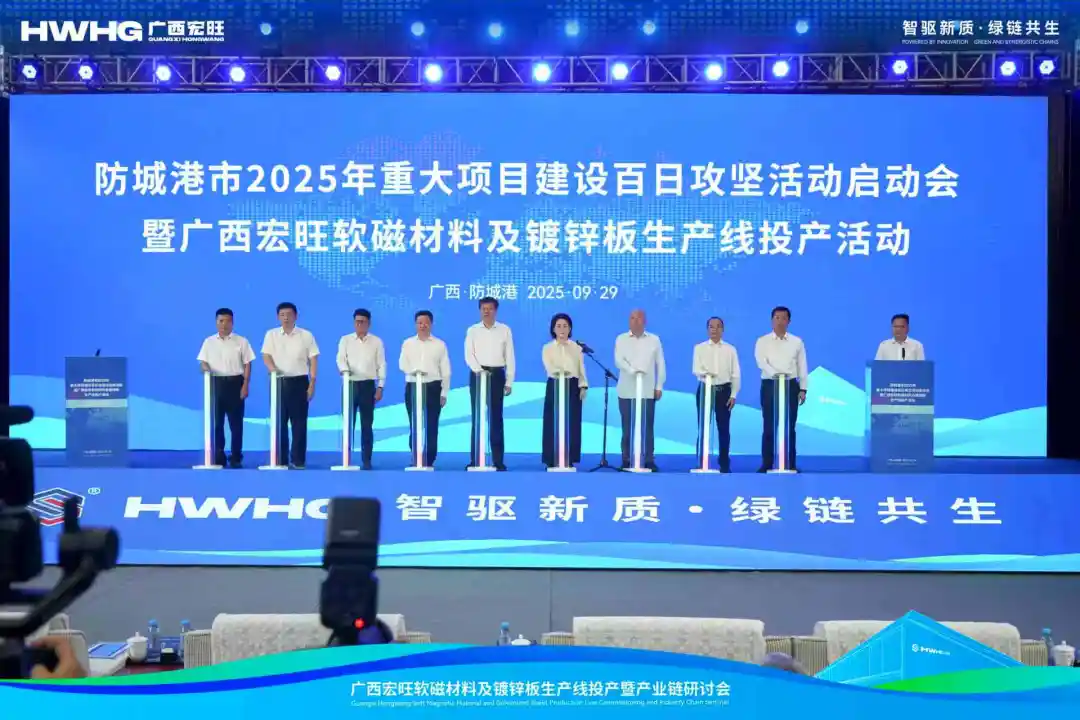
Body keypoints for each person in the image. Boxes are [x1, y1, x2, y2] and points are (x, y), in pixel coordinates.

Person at [261, 302, 319, 469]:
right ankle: (280, 459)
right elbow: (266, 355)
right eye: (282, 315)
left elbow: (313, 359)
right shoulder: (271, 335)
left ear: (296, 316)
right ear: (278, 317)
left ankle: (298, 460)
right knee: (279, 422)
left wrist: (312, 382)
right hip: (278, 382)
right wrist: (273, 370)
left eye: (289, 314)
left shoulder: (306, 335)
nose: (286, 318)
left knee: (299, 423)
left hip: (299, 382)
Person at [196, 308, 254, 468]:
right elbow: (202, 362)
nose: (224, 324)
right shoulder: (209, 342)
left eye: (228, 321)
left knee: (236, 424)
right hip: (216, 384)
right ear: (216, 322)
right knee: (217, 423)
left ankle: (236, 456)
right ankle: (218, 455)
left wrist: (245, 384)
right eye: (221, 321)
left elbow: (247, 364)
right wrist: (206, 369)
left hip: (236, 383)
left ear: (232, 323)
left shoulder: (241, 341)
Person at [754, 306, 808, 473]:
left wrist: (803, 388)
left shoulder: (797, 342)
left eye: (783, 318)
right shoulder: (762, 341)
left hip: (791, 385)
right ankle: (767, 464)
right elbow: (761, 361)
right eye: (777, 318)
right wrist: (775, 374)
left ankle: (790, 464)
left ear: (789, 321)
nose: (780, 321)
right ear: (772, 320)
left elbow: (802, 366)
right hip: (770, 384)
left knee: (789, 426)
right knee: (769, 425)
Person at [464, 296, 515, 471]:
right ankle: (475, 459)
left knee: (496, 418)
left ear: (495, 310)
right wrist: (479, 371)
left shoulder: (504, 330)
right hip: (478, 375)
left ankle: (498, 460)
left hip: (497, 374)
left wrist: (509, 381)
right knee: (477, 417)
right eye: (483, 309)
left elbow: (510, 356)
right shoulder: (473, 330)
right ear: (480, 310)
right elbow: (469, 354)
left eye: (490, 308)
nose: (486, 312)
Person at [614, 309, 666, 471]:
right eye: (632, 318)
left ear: (645, 321)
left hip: (647, 390)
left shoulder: (654, 340)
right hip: (626, 390)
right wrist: (633, 371)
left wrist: (659, 386)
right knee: (627, 427)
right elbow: (618, 360)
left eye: (638, 318)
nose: (635, 321)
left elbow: (660, 364)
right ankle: (626, 459)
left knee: (648, 427)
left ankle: (649, 459)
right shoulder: (621, 339)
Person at [336, 308, 387, 470]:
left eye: (363, 322)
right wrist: (344, 370)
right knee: (347, 423)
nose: (359, 324)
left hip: (368, 385)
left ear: (369, 323)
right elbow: (340, 359)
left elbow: (381, 364)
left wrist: (380, 386)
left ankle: (366, 460)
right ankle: (346, 459)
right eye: (357, 321)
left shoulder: (376, 342)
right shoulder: (345, 340)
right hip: (350, 385)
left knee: (367, 424)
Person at [399, 310, 450, 467]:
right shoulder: (408, 343)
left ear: (431, 324)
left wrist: (444, 392)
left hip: (433, 386)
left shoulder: (440, 345)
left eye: (426, 322)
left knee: (431, 424)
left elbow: (446, 371)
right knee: (414, 423)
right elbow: (402, 364)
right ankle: (416, 457)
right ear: (416, 324)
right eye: (419, 323)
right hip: (413, 385)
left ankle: (429, 459)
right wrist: (414, 371)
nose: (423, 325)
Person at [692, 316, 741, 473]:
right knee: (703, 427)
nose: (715, 329)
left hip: (723, 391)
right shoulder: (699, 348)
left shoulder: (730, 349)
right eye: (711, 326)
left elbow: (735, 374)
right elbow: (696, 369)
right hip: (705, 390)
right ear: (707, 329)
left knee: (724, 428)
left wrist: (733, 394)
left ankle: (724, 463)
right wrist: (708, 374)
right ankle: (701, 461)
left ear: (723, 329)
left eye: (718, 326)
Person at [541, 313, 589, 468]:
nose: (562, 329)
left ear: (570, 329)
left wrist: (583, 385)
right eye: (559, 326)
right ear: (553, 329)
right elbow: (549, 367)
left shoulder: (576, 348)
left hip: (572, 386)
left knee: (572, 422)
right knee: (552, 421)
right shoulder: (547, 348)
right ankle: (551, 458)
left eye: (565, 326)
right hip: (555, 384)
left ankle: (569, 458)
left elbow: (581, 368)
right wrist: (561, 371)